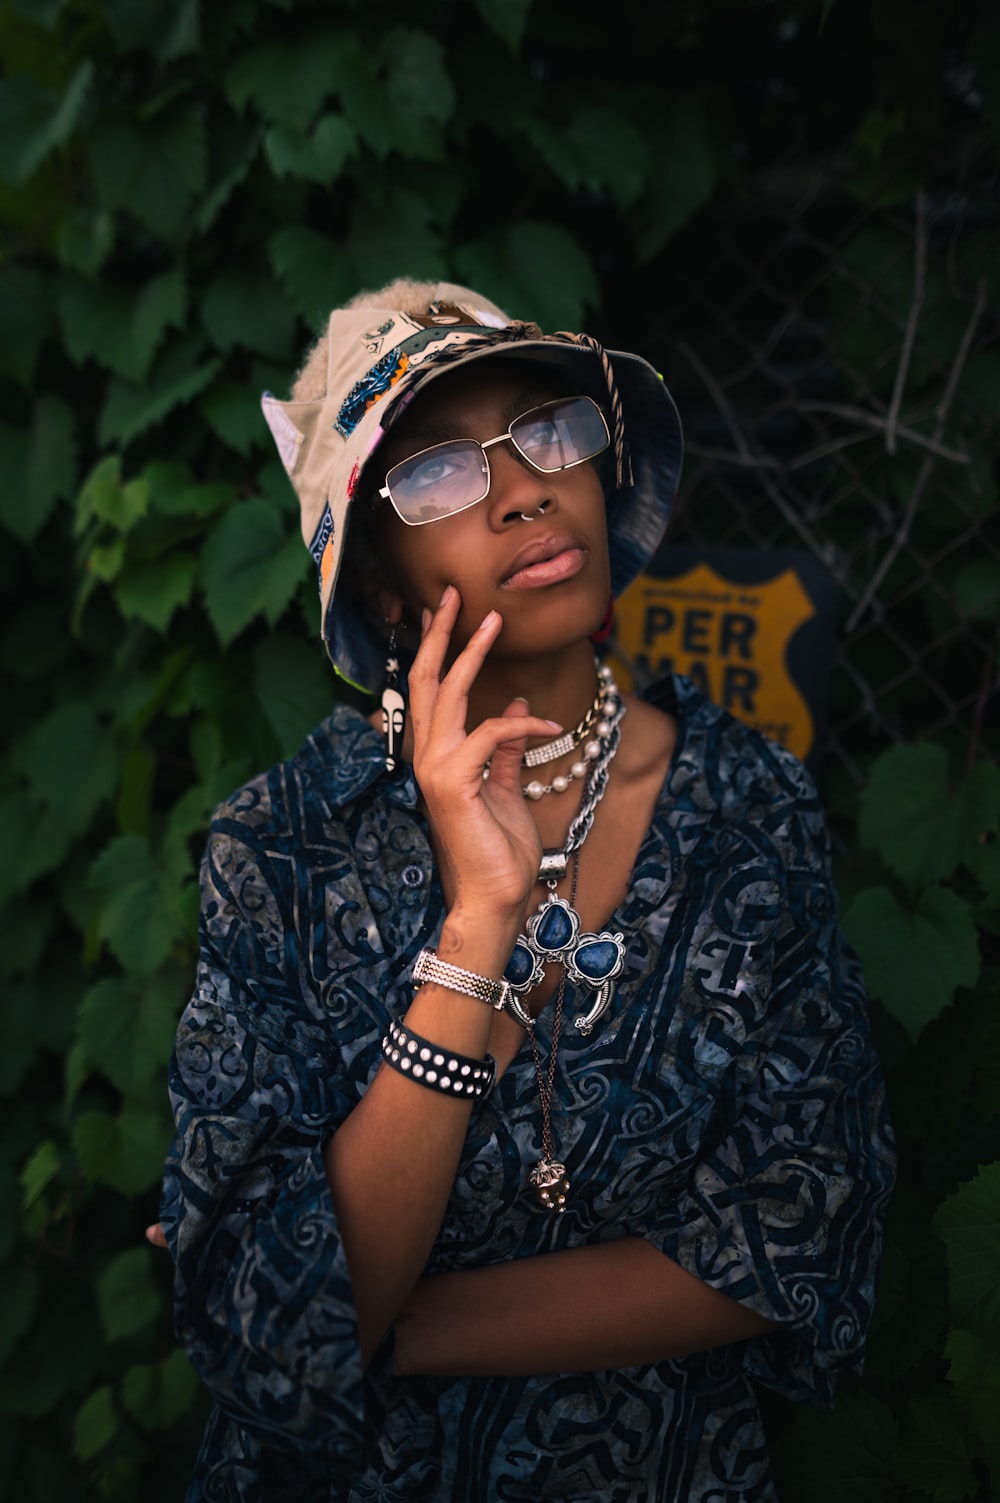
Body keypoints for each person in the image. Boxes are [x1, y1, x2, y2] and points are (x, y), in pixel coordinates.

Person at [160, 279, 895, 1501]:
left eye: (547, 426)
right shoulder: (279, 851)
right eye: (439, 472)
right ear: (381, 583)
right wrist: (478, 922)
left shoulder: (747, 806)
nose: (520, 485)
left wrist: (399, 1326)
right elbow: (262, 1333)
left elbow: (796, 1231)